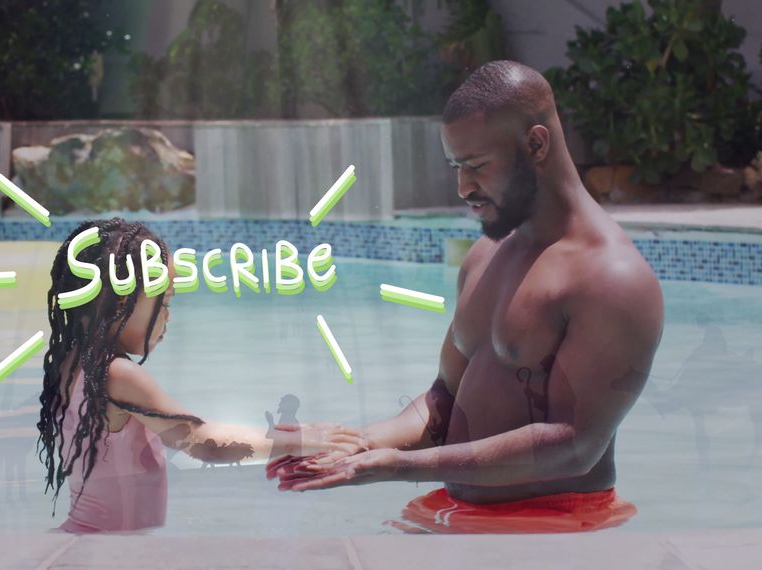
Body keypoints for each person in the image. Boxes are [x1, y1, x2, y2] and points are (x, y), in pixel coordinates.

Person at [267, 61, 665, 534]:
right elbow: (444, 398)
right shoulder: (485, 256)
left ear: (536, 144)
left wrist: (398, 466)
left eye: (475, 166)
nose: (463, 188)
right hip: (458, 512)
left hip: (558, 530)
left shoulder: (611, 278)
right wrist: (359, 443)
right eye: (456, 166)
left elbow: (575, 446)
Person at [37, 218, 363, 533]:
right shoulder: (119, 375)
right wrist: (301, 440)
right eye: (164, 303)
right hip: (109, 547)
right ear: (122, 304)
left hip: (90, 533)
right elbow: (203, 442)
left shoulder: (71, 364)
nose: (169, 316)